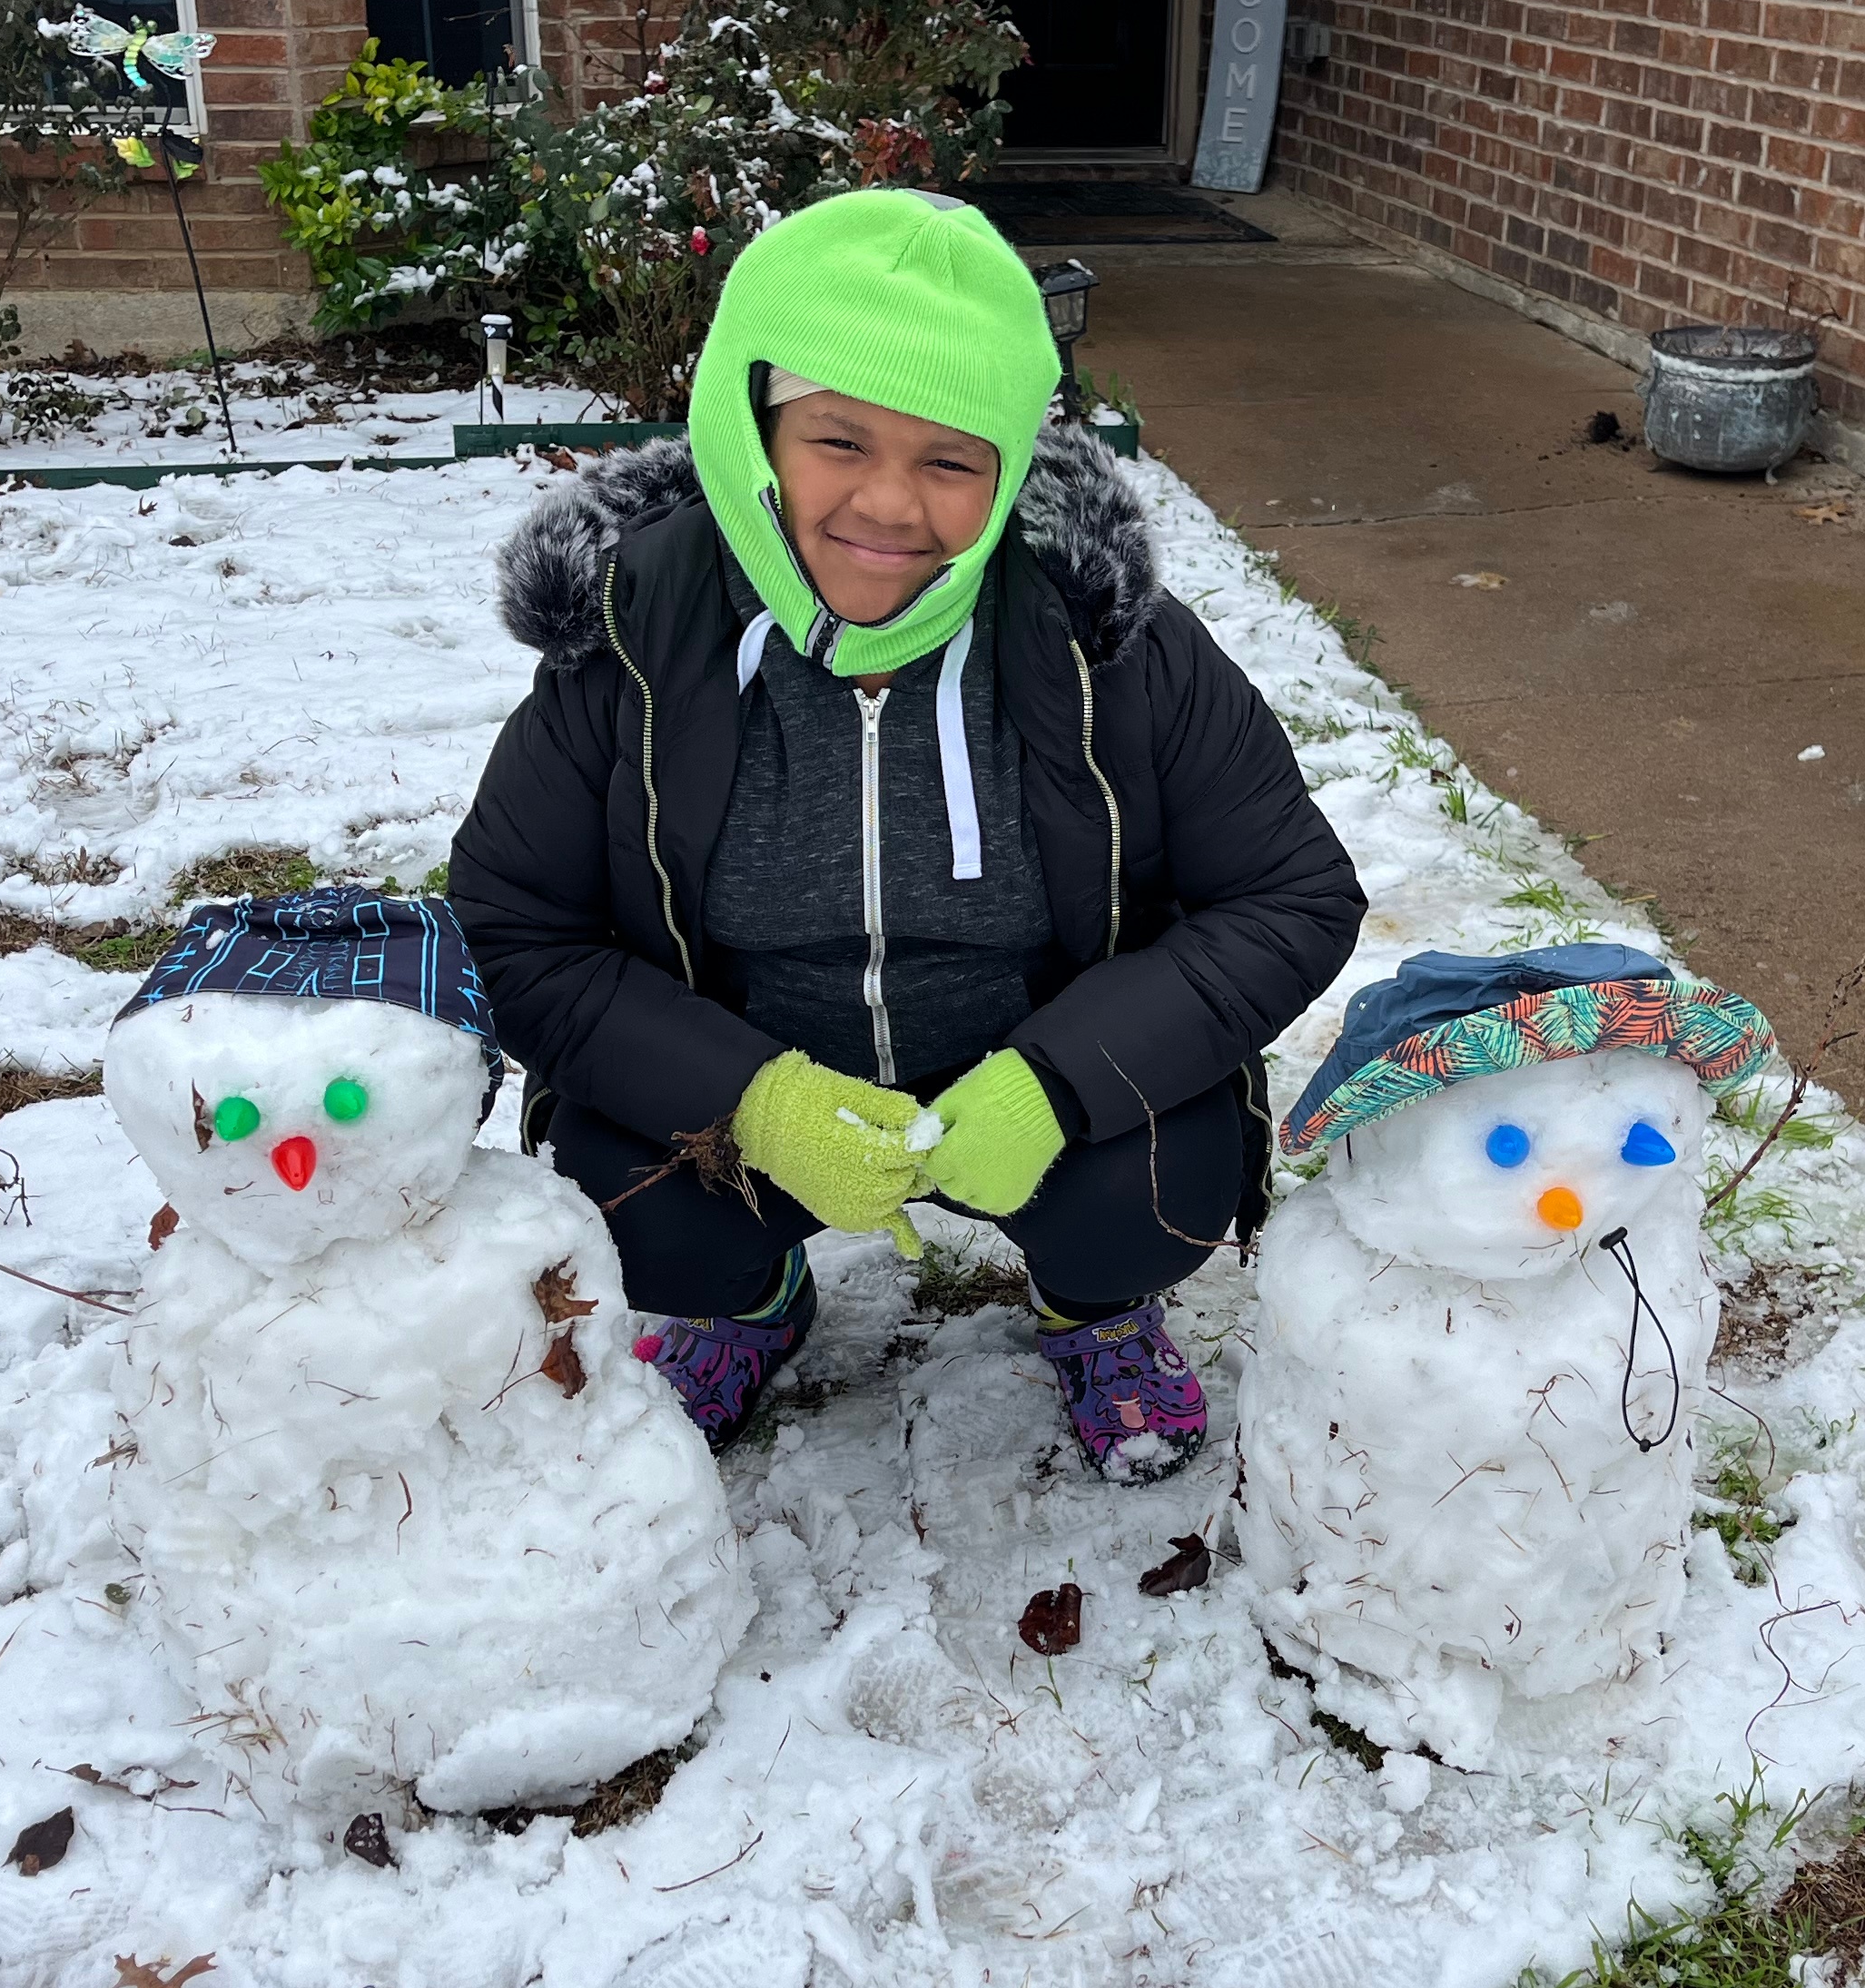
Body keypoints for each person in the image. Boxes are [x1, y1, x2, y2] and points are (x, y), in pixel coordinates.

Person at [449, 189, 1366, 1481]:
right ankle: (749, 1301)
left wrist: (1056, 1081)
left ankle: (1093, 1308)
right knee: (630, 1192)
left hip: (1036, 1085)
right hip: (759, 1076)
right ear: (751, 420)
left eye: (949, 459)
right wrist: (750, 1103)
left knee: (1159, 1189)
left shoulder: (1107, 642)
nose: (889, 505)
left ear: (1005, 470)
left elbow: (1290, 896)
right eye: (839, 440)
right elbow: (519, 929)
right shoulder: (631, 640)